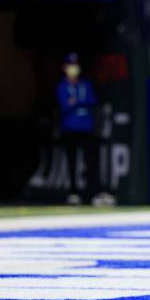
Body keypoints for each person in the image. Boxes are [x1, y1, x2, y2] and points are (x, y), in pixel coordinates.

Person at [56, 53, 115, 206]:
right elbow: (65, 105)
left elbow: (91, 100)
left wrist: (76, 102)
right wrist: (79, 103)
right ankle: (73, 192)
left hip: (86, 128)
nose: (73, 69)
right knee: (72, 161)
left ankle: (94, 192)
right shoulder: (62, 86)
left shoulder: (85, 84)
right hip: (70, 128)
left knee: (91, 161)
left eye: (75, 65)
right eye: (70, 65)